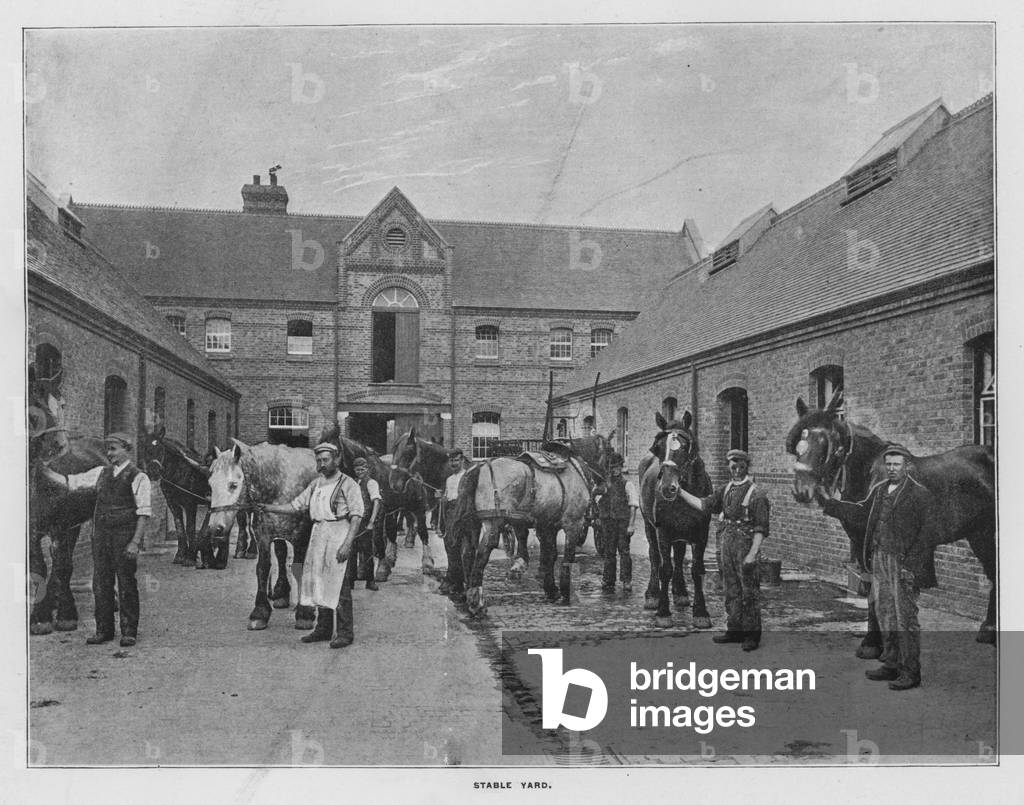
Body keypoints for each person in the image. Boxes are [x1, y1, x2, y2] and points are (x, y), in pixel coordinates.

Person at [822, 443, 933, 691]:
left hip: (903, 563)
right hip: (879, 558)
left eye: (897, 464)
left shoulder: (919, 495)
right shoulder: (880, 490)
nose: (892, 469)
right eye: (889, 464)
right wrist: (830, 504)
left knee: (905, 619)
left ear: (907, 466)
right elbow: (862, 512)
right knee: (885, 612)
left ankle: (910, 671)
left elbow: (926, 536)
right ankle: (892, 663)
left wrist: (911, 567)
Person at [42, 432, 151, 647]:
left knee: (126, 582)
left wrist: (135, 542)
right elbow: (70, 482)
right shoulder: (101, 473)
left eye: (114, 449)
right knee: (101, 583)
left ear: (126, 450)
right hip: (101, 536)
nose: (109, 454)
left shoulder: (139, 477)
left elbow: (144, 513)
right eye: (108, 449)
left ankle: (128, 631)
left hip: (123, 535)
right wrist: (42, 470)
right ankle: (104, 630)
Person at [260, 442, 364, 649]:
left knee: (339, 585)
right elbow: (295, 506)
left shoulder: (348, 483)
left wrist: (347, 543)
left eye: (326, 460)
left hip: (338, 532)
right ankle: (323, 629)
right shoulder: (316, 484)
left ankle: (344, 632)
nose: (322, 464)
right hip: (318, 534)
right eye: (319, 460)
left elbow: (356, 516)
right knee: (319, 582)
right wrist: (267, 507)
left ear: (337, 460)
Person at [675, 449, 769, 651]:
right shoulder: (724, 490)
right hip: (726, 542)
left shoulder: (757, 494)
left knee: (749, 590)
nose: (736, 469)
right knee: (730, 588)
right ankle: (734, 630)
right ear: (728, 467)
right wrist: (680, 492)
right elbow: (703, 505)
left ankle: (751, 635)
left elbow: (761, 528)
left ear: (746, 466)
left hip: (745, 544)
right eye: (732, 465)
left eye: (740, 465)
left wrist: (753, 553)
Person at [595, 452, 639, 593]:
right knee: (609, 552)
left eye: (617, 467)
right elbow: (596, 499)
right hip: (608, 523)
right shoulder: (604, 485)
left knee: (624, 551)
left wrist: (631, 525)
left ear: (621, 467)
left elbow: (633, 506)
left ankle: (626, 580)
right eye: (612, 467)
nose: (614, 470)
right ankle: (608, 580)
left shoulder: (628, 484)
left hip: (622, 523)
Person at [438, 448, 468, 596]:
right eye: (451, 461)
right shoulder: (449, 479)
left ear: (462, 460)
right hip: (450, 514)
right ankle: (455, 581)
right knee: (450, 547)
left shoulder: (467, 476)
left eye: (456, 460)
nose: (454, 463)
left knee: (460, 548)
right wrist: (442, 497)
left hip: (462, 514)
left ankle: (460, 582)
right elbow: (447, 497)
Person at [351, 457, 382, 591]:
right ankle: (350, 580)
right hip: (354, 522)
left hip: (365, 522)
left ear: (367, 469)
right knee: (351, 552)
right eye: (357, 470)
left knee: (367, 552)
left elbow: (376, 502)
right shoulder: (353, 483)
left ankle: (370, 581)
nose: (360, 472)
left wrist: (371, 522)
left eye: (362, 469)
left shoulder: (371, 483)